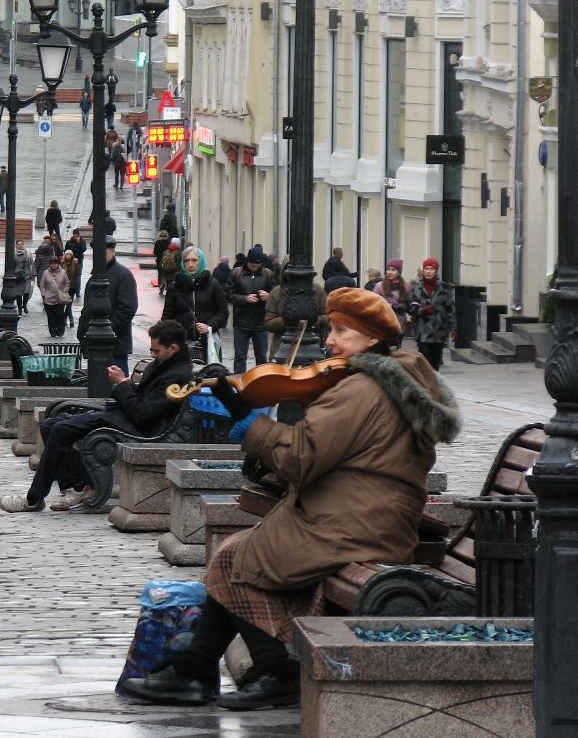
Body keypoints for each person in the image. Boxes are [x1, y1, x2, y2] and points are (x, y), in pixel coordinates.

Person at [120, 287, 462, 710]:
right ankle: (212, 668)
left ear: (372, 339)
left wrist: (250, 426)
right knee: (237, 553)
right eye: (330, 329)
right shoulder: (387, 382)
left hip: (354, 526)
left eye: (341, 331)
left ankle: (245, 671)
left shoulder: (362, 391)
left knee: (239, 560)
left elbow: (301, 457)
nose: (331, 341)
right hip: (363, 517)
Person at [0, 320, 194, 513]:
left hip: (140, 427)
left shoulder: (176, 375)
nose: (152, 354)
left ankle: (34, 498)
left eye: (156, 350)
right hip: (124, 416)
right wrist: (125, 382)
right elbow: (145, 398)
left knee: (60, 429)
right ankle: (79, 487)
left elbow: (143, 414)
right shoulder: (164, 364)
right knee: (50, 424)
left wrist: (123, 385)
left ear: (173, 348)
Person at [77, 239, 138, 374]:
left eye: (102, 251)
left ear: (112, 251)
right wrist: (82, 330)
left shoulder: (123, 275)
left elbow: (128, 308)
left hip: (114, 347)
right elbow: (88, 307)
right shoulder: (95, 276)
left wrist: (108, 330)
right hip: (94, 345)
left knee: (115, 386)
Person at [163, 246, 229, 360]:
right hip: (181, 343)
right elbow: (167, 316)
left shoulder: (213, 284)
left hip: (208, 341)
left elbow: (223, 312)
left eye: (194, 260)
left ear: (201, 261)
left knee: (208, 374)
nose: (190, 264)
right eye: (187, 261)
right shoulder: (175, 287)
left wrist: (209, 326)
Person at [264, 256, 327, 360]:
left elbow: (328, 317)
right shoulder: (276, 293)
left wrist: (314, 321)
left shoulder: (318, 291)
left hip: (312, 348)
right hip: (282, 348)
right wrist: (287, 319)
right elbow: (268, 322)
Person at [228, 246, 274, 372]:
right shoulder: (236, 273)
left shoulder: (268, 274)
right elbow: (229, 295)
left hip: (261, 322)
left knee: (261, 357)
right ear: (247, 262)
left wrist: (269, 296)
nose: (255, 267)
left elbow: (276, 294)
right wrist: (245, 299)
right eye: (252, 264)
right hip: (241, 322)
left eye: (257, 265)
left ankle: (261, 383)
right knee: (240, 357)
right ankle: (239, 383)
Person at [408, 258, 456, 370]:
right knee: (425, 360)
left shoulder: (444, 288)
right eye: (426, 269)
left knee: (435, 362)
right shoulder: (416, 288)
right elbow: (409, 305)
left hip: (439, 330)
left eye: (431, 269)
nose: (429, 271)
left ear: (436, 271)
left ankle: (434, 383)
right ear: (423, 271)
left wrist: (454, 328)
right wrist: (421, 310)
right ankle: (426, 382)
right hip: (422, 330)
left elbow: (450, 308)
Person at [375, 259, 410, 344]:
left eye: (393, 270)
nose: (390, 272)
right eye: (388, 269)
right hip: (384, 323)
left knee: (396, 351)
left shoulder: (406, 287)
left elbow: (409, 303)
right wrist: (388, 306)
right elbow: (374, 302)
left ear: (399, 272)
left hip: (400, 323)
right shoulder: (380, 286)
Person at [39, 255, 71, 337]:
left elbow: (67, 282)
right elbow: (42, 284)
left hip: (59, 298)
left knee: (60, 315)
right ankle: (52, 331)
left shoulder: (63, 272)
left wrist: (64, 291)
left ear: (58, 264)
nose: (54, 265)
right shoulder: (46, 273)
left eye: (55, 264)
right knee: (51, 317)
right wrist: (44, 294)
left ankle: (60, 330)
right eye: (52, 264)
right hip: (48, 299)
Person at [14, 240, 34, 314]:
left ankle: (24, 305)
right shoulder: (14, 254)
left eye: (21, 244)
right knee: (18, 294)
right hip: (18, 276)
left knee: (27, 292)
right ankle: (19, 309)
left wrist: (33, 274)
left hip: (27, 275)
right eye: (18, 244)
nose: (20, 245)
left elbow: (32, 263)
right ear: (16, 245)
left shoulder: (28, 253)